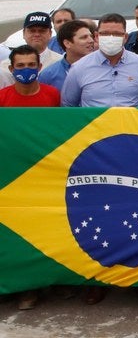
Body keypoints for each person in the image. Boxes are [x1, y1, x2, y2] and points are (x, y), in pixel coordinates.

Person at [0, 45, 60, 310]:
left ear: (40, 67)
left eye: (31, 65)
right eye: (21, 66)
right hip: (11, 173)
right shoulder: (2, 97)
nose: (26, 70)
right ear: (11, 69)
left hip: (44, 172)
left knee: (43, 227)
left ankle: (39, 285)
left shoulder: (52, 95)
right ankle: (14, 284)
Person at [61, 13, 138, 108]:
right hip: (94, 118)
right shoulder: (79, 68)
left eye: (116, 34)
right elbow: (68, 105)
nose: (111, 38)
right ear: (96, 36)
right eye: (105, 34)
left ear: (125, 37)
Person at [0, 12, 63, 88]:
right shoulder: (5, 66)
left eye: (42, 31)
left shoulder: (61, 62)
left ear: (50, 33)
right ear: (24, 33)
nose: (37, 34)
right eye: (32, 31)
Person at [38, 20, 95, 91]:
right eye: (84, 37)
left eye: (91, 36)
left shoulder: (102, 68)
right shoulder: (48, 74)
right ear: (67, 43)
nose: (91, 40)